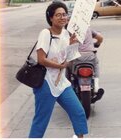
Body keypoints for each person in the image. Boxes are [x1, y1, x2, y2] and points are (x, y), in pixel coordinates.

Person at [28, 2, 88, 138]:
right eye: (58, 15)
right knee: (41, 121)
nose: (62, 17)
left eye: (64, 14)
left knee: (78, 112)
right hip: (46, 83)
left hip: (61, 83)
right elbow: (41, 59)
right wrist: (60, 66)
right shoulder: (45, 33)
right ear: (51, 18)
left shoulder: (67, 34)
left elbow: (69, 59)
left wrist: (73, 46)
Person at [72, 27, 104, 103]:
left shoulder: (70, 29)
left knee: (68, 67)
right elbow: (100, 38)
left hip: (76, 57)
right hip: (90, 56)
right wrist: (97, 43)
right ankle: (96, 85)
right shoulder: (88, 29)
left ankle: (70, 87)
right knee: (96, 64)